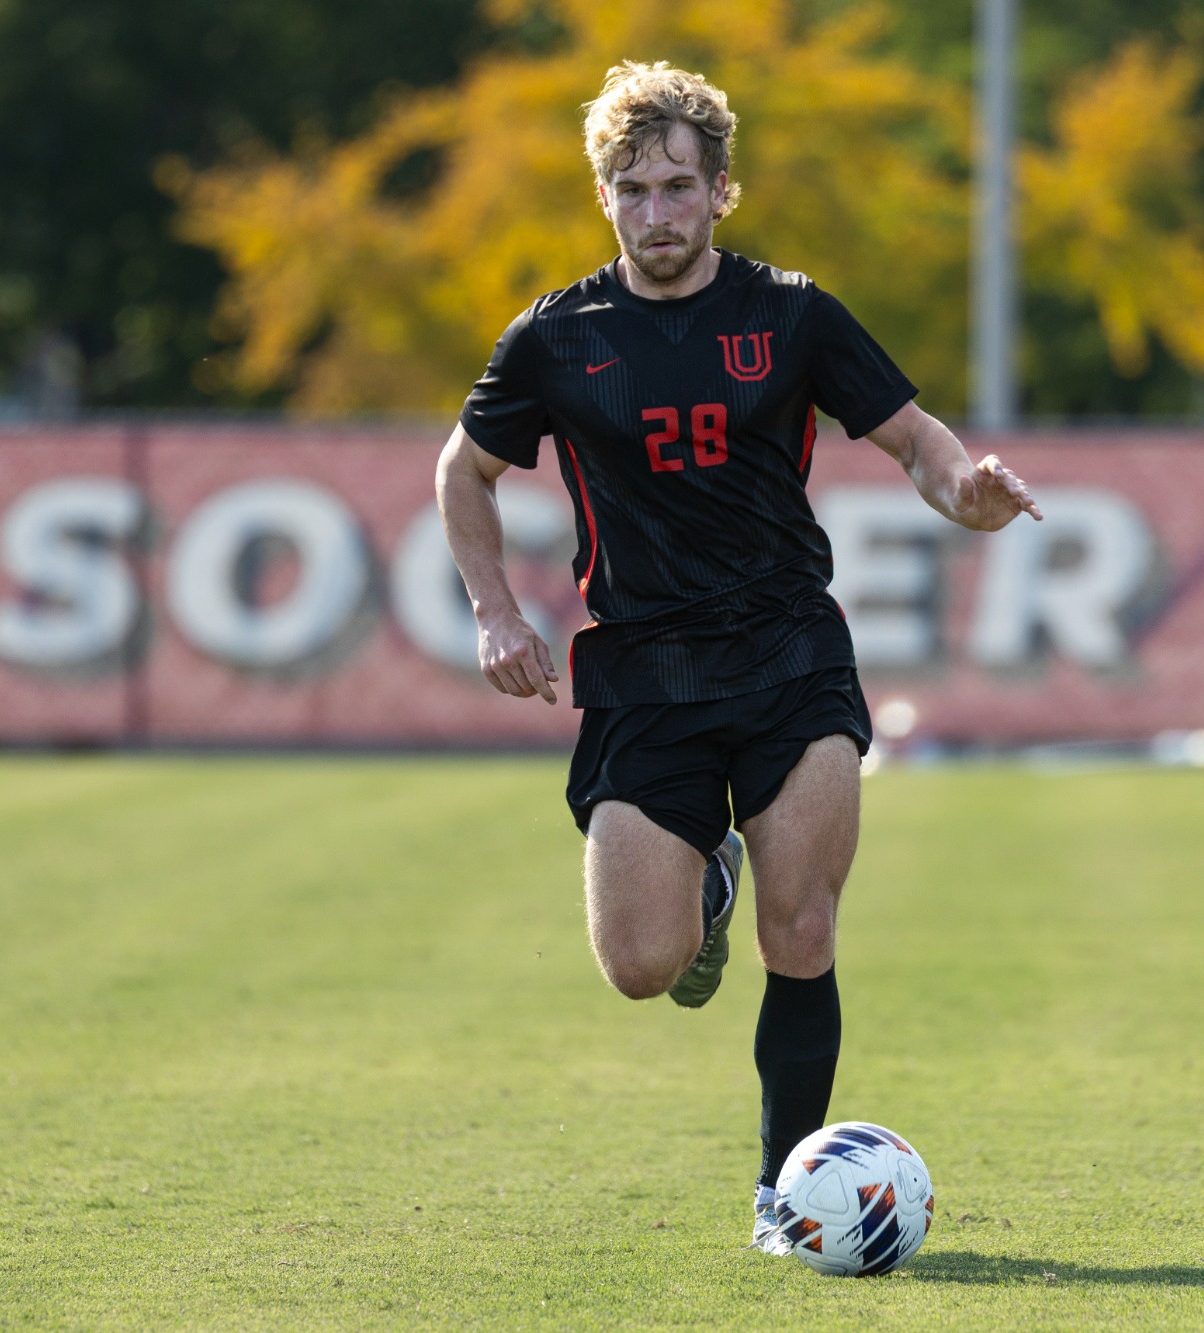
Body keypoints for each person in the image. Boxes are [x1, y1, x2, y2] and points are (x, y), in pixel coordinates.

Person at [435, 61, 1041, 1254]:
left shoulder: (792, 314)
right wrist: (494, 612)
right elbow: (464, 470)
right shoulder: (555, 338)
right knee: (640, 966)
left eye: (676, 186)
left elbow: (915, 441)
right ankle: (702, 880)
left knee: (801, 930)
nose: (654, 212)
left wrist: (960, 491)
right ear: (604, 197)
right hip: (641, 671)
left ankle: (782, 1196)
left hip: (786, 655)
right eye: (631, 188)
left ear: (722, 192)